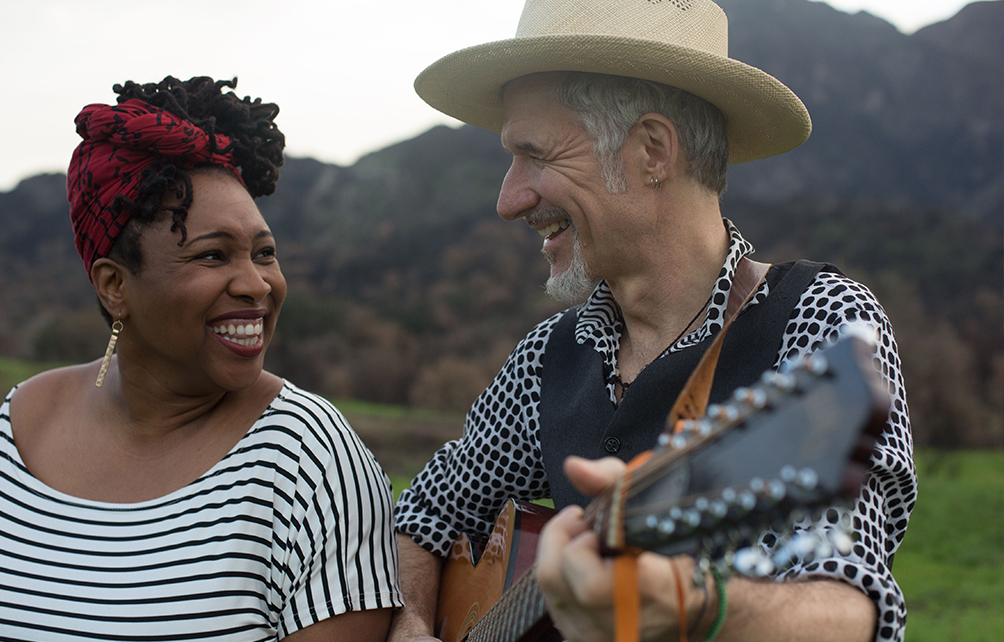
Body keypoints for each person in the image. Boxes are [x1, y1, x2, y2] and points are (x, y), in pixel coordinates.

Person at [390, 1, 915, 642]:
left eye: (535, 154)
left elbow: (849, 605)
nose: (509, 199)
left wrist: (697, 603)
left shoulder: (818, 321)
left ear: (651, 150)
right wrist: (412, 625)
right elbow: (423, 517)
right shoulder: (546, 358)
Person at [0, 76, 402, 640]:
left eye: (265, 253)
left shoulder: (308, 460)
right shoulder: (21, 424)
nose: (257, 285)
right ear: (114, 286)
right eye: (212, 256)